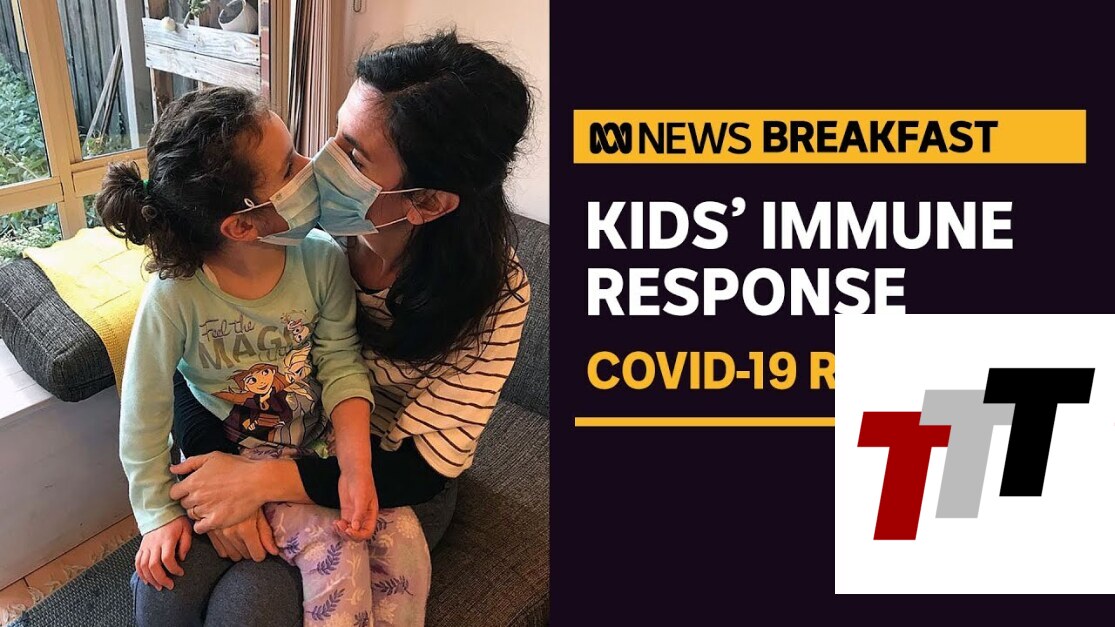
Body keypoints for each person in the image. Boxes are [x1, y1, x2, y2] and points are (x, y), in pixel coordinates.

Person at [141, 31, 533, 625]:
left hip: (382, 472)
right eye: (334, 133)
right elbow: (194, 353)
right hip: (257, 430)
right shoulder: (294, 235)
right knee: (165, 590)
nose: (318, 165)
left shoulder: (495, 297)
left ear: (427, 202)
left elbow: (422, 468)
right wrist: (216, 464)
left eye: (352, 156)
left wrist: (264, 481)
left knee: (252, 608)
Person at [100, 86, 382, 626]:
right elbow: (144, 412)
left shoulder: (322, 261)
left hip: (308, 457)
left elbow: (342, 363)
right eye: (289, 165)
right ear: (242, 225)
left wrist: (354, 466)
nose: (311, 165)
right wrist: (156, 513)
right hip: (220, 465)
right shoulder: (173, 298)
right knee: (161, 591)